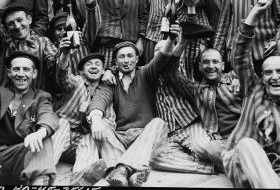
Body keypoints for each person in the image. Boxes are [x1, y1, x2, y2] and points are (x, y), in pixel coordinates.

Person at [86, 23, 182, 187]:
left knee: (158, 123)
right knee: (99, 121)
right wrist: (95, 118)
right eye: (121, 57)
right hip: (121, 137)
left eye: (130, 56)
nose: (126, 60)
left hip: (144, 136)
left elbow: (161, 59)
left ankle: (121, 170)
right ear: (115, 61)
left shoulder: (145, 73)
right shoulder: (111, 80)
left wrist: (171, 39)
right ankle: (131, 173)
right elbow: (99, 99)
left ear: (137, 59)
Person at [161, 22, 242, 171]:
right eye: (206, 62)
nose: (211, 66)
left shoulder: (236, 78)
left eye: (215, 62)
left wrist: (240, 80)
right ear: (199, 67)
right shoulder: (195, 89)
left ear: (223, 65)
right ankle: (238, 167)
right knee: (211, 149)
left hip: (246, 134)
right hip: (221, 142)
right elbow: (169, 73)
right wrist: (182, 43)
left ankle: (238, 166)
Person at [222, 0, 280, 188]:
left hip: (272, 171)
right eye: (268, 72)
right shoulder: (254, 89)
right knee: (247, 144)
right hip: (241, 162)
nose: (274, 77)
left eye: (279, 72)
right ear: (261, 77)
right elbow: (239, 55)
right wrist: (253, 17)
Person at [52, 46, 114, 185]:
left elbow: (110, 123)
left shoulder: (106, 93)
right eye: (89, 64)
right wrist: (65, 54)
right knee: (62, 123)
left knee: (90, 139)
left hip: (79, 145)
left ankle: (79, 179)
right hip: (60, 138)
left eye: (97, 64)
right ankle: (44, 173)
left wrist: (89, 117)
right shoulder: (76, 81)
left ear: (103, 70)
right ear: (81, 71)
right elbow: (63, 77)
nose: (93, 67)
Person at [0, 51, 59, 185]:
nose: (21, 74)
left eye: (26, 69)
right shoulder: (1, 93)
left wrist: (39, 133)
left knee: (44, 139)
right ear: (9, 73)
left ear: (34, 74)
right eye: (16, 69)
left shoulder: (41, 97)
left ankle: (39, 182)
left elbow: (48, 115)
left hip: (22, 158)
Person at [0, 6, 58, 90]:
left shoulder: (43, 42)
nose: (17, 26)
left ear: (29, 19)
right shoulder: (5, 43)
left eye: (19, 20)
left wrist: (63, 54)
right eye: (10, 23)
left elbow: (54, 66)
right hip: (8, 98)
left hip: (36, 98)